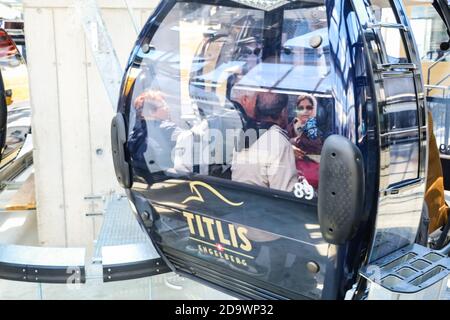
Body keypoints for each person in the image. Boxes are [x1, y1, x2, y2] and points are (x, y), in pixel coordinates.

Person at [231, 91, 298, 192]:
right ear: (283, 112)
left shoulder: (243, 134)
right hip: (261, 205)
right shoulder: (279, 142)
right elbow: (285, 194)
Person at [128, 90, 181, 182]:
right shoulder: (167, 129)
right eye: (163, 106)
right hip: (168, 182)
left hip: (149, 183)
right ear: (151, 112)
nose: (167, 108)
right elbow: (195, 140)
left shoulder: (134, 134)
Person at [287, 94, 323, 189]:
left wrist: (297, 140)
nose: (305, 111)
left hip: (313, 179)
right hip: (291, 175)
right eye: (301, 108)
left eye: (309, 108)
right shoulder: (289, 127)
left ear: (313, 110)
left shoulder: (317, 129)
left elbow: (317, 146)